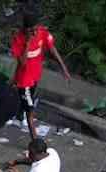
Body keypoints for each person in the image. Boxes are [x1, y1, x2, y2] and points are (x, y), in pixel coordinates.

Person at [11, 8, 70, 138]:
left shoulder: (42, 33)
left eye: (35, 29)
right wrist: (27, 43)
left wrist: (63, 68)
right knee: (30, 110)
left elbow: (52, 49)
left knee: (29, 100)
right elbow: (22, 63)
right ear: (24, 29)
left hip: (35, 75)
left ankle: (19, 116)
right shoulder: (18, 39)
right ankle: (35, 141)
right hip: (24, 80)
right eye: (30, 30)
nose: (34, 32)